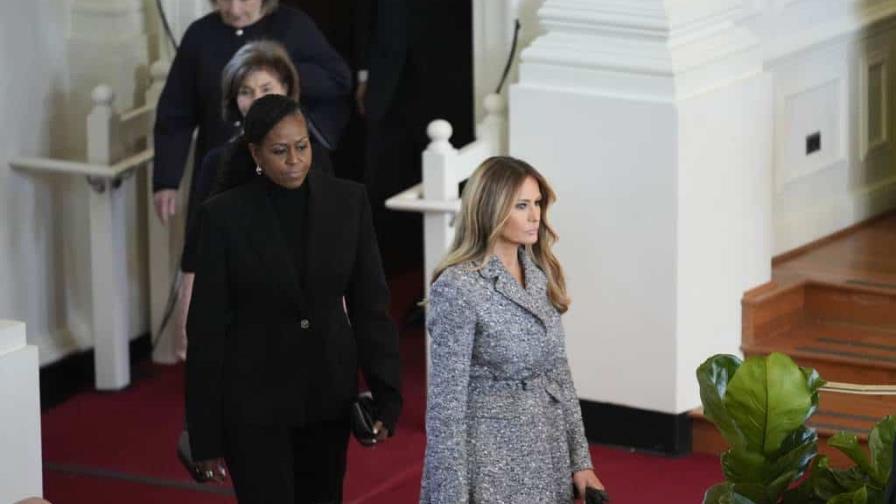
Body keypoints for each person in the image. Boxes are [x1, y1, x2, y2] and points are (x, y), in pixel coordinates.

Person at [185, 95, 402, 502]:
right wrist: (204, 434)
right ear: (255, 153)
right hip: (252, 402)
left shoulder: (348, 203)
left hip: (327, 392)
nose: (294, 160)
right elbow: (206, 331)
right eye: (280, 151)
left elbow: (370, 307)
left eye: (302, 147)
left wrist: (386, 393)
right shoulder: (222, 217)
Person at [420, 156, 605, 503]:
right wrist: (450, 496)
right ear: (490, 208)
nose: (535, 215)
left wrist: (581, 461)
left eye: (537, 203)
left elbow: (559, 374)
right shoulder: (459, 286)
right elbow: (447, 407)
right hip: (489, 463)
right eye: (522, 205)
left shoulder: (538, 273)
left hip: (546, 454)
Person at [174, 40, 333, 359]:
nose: (256, 99)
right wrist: (184, 324)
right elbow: (196, 250)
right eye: (245, 91)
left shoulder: (315, 158)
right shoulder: (216, 162)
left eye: (266, 88)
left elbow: (332, 246)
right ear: (235, 100)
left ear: (287, 89)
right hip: (240, 311)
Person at [152, 0, 351, 226]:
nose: (235, 10)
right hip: (220, 175)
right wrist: (165, 180)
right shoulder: (200, 35)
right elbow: (176, 113)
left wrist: (281, 73)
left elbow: (339, 80)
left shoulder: (293, 25)